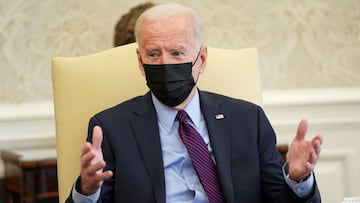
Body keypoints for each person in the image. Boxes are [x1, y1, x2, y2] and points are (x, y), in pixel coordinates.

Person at [66, 3, 323, 203]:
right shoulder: (111, 128)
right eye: (153, 54)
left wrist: (297, 178)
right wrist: (87, 191)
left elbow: (278, 198)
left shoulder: (248, 119)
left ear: (201, 58)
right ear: (139, 61)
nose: (165, 65)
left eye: (177, 53)